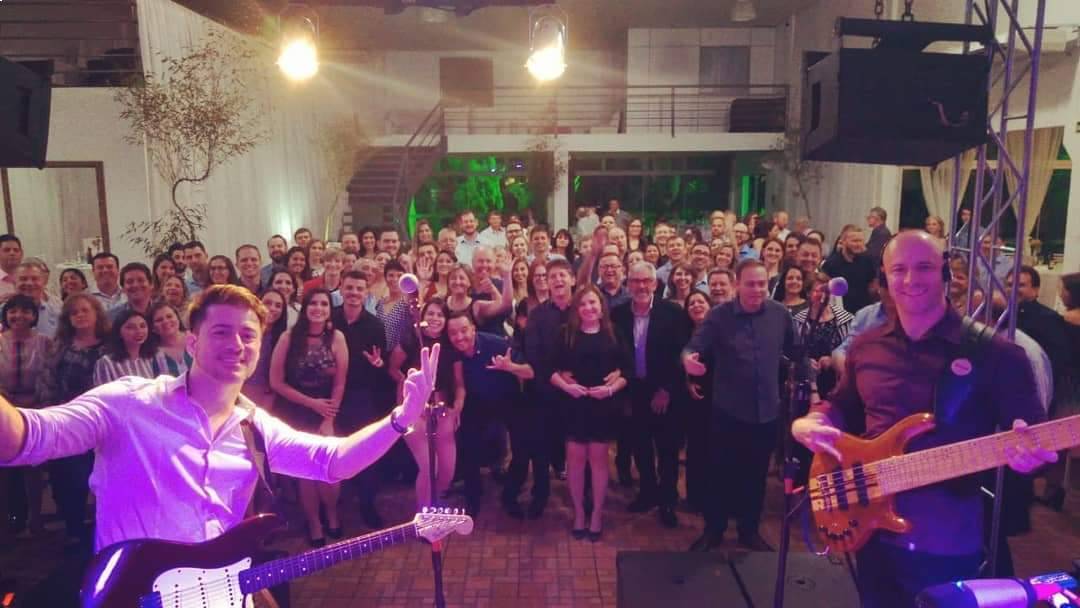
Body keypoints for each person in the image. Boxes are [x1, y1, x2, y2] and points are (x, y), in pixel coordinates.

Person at [791, 231, 1053, 608]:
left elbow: (1037, 439)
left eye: (924, 267)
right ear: (884, 278)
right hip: (870, 529)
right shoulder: (866, 346)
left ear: (944, 272)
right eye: (899, 269)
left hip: (946, 539)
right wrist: (813, 420)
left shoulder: (997, 354)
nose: (911, 279)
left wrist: (1031, 459)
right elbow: (843, 405)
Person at [685, 259, 796, 552]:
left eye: (762, 284)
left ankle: (749, 531)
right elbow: (693, 347)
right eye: (751, 284)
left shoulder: (780, 314)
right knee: (720, 473)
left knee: (756, 476)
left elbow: (797, 351)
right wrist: (688, 360)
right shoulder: (719, 316)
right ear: (737, 285)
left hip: (767, 412)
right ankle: (714, 530)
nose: (757, 289)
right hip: (728, 412)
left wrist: (811, 382)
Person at [268, 288, 349, 546]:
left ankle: (332, 513)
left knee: (329, 470)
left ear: (330, 309)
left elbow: (340, 383)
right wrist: (311, 404)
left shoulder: (337, 337)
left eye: (324, 304)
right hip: (297, 410)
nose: (318, 308)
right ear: (305, 308)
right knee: (305, 474)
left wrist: (329, 418)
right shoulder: (288, 338)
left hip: (327, 411)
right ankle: (314, 523)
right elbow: (276, 382)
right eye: (313, 303)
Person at [612, 262, 690, 529]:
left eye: (646, 281)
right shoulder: (618, 314)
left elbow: (682, 354)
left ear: (656, 284)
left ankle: (667, 499)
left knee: (667, 450)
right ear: (628, 284)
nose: (641, 286)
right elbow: (615, 354)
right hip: (634, 391)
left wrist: (667, 390)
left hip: (665, 391)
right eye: (635, 281)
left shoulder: (673, 313)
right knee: (640, 447)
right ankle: (647, 492)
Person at [550, 285, 629, 541]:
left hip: (603, 406)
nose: (588, 308)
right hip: (574, 404)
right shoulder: (566, 334)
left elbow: (627, 370)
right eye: (583, 304)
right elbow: (549, 369)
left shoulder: (613, 332)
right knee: (574, 461)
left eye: (592, 302)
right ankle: (579, 513)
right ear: (576, 309)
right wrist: (567, 387)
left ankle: (596, 514)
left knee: (598, 461)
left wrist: (610, 390)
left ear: (601, 306)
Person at [35, 293, 110, 551]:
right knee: (69, 480)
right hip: (68, 421)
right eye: (74, 312)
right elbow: (46, 380)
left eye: (85, 310)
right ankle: (74, 530)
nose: (80, 315)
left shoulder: (111, 345)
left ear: (97, 313)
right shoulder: (60, 346)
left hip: (103, 423)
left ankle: (102, 531)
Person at [389, 298, 463, 508]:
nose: (435, 318)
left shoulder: (450, 345)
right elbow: (393, 368)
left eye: (440, 315)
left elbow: (459, 384)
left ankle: (435, 506)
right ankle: (424, 513)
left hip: (443, 409)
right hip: (415, 410)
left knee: (447, 471)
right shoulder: (411, 339)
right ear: (422, 317)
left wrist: (457, 408)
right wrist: (407, 386)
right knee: (430, 467)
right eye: (430, 313)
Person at [332, 270, 389, 528]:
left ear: (366, 293)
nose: (354, 293)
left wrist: (378, 364)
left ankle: (367, 504)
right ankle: (335, 504)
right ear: (341, 289)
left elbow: (382, 364)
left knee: (365, 450)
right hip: (330, 395)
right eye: (349, 288)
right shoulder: (329, 319)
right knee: (334, 448)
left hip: (361, 396)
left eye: (359, 289)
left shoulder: (375, 325)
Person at [0, 295, 51, 537]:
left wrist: (38, 400)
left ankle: (36, 520)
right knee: (3, 469)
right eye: (13, 311)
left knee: (33, 468)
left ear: (34, 316)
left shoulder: (45, 343)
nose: (18, 316)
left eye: (25, 311)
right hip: (3, 410)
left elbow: (48, 375)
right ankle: (6, 520)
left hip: (34, 410)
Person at [683, 290, 712, 513]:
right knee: (694, 449)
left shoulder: (718, 331)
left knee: (714, 449)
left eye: (701, 301)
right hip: (691, 398)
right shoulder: (682, 333)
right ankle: (694, 498)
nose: (696, 306)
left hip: (717, 397)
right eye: (691, 303)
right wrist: (687, 382)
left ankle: (712, 497)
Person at [242, 290, 288, 411]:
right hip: (237, 391)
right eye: (267, 303)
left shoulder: (283, 339)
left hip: (264, 399)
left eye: (278, 305)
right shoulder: (242, 331)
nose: (272, 308)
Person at [822, 227, 877, 314]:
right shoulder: (831, 263)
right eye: (855, 241)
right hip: (840, 313)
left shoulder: (868, 261)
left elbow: (872, 287)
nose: (858, 244)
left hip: (863, 312)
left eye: (861, 241)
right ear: (843, 241)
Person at [15, 260, 61, 338]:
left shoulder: (57, 313)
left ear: (44, 282)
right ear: (15, 282)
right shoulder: (2, 312)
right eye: (23, 279)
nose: (29, 283)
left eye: (34, 279)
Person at [0, 234, 23, 299]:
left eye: (16, 250)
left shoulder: (30, 280)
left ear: (21, 254)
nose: (12, 253)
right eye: (7, 250)